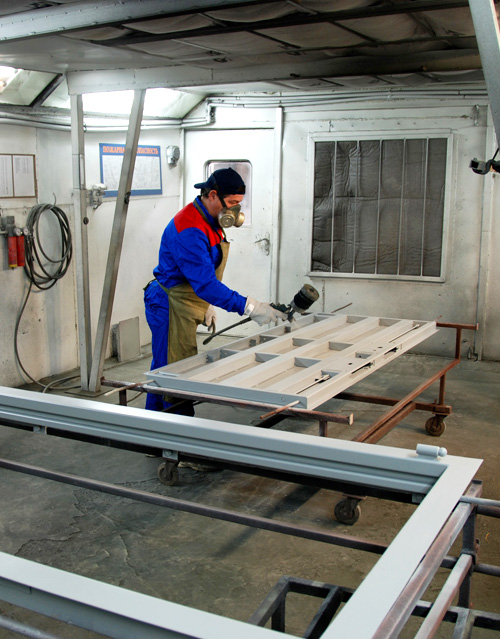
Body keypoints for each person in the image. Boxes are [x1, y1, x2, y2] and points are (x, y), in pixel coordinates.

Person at [144, 167, 286, 412]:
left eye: (238, 204)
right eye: (231, 203)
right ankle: (175, 430)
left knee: (166, 367)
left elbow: (202, 273)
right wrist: (250, 307)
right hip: (168, 303)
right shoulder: (190, 229)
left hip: (187, 297)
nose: (234, 211)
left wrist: (206, 304)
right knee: (174, 371)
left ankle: (155, 427)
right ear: (212, 195)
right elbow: (206, 284)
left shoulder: (210, 220)